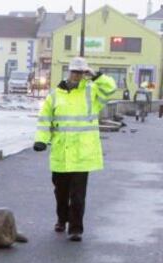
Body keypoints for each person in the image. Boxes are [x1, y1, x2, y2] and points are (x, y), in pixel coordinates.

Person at [34, 57, 117, 242]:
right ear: (68, 72)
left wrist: (96, 76)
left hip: (82, 154)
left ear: (84, 73)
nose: (77, 76)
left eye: (80, 72)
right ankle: (61, 219)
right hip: (60, 153)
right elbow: (45, 120)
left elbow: (111, 88)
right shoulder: (54, 95)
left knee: (78, 195)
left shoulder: (92, 91)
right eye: (74, 72)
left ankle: (76, 228)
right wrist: (41, 140)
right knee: (60, 193)